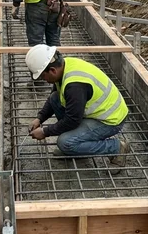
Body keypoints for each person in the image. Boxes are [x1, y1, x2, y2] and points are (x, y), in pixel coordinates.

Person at [24, 44, 129, 173]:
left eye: (43, 76)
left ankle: (116, 148)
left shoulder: (75, 86)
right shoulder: (64, 65)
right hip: (94, 112)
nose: (44, 80)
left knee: (65, 143)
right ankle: (78, 145)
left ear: (52, 71)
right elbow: (54, 97)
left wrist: (45, 132)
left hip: (110, 120)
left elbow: (72, 120)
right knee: (55, 98)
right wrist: (39, 118)